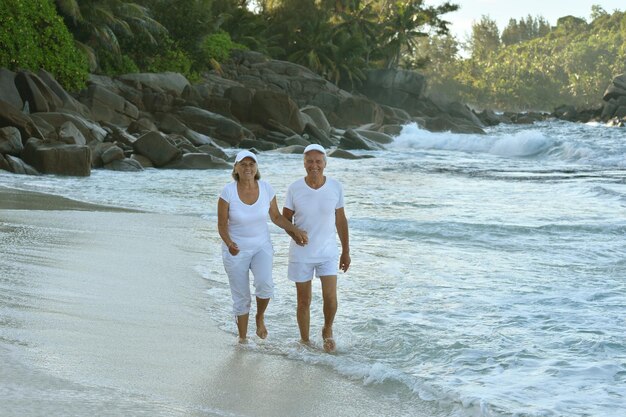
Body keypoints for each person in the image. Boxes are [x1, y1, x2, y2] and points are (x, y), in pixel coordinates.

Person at [218, 150, 308, 343]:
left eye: (251, 164)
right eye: (243, 164)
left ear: (256, 167)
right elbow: (222, 224)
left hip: (261, 247)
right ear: (236, 168)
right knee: (241, 297)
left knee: (265, 285)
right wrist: (229, 243)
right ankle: (242, 339)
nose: (248, 168)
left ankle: (260, 317)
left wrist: (295, 230)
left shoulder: (266, 188)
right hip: (235, 250)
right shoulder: (228, 192)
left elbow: (276, 217)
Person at [282, 144, 350, 353]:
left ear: (325, 164)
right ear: (304, 163)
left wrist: (345, 251)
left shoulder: (335, 187)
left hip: (327, 252)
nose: (314, 165)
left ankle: (327, 329)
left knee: (330, 298)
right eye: (309, 161)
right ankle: (305, 341)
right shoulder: (295, 188)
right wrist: (295, 233)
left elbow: (341, 220)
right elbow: (285, 219)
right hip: (301, 253)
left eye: (318, 161)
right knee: (304, 301)